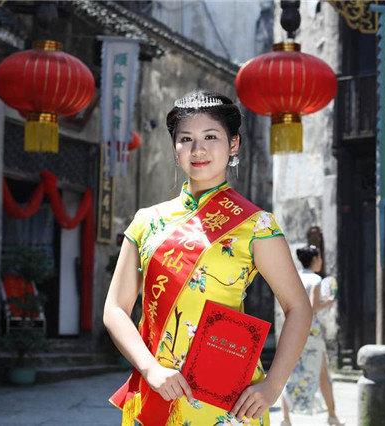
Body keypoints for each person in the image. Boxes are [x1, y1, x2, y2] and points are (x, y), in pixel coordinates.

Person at [104, 90, 313, 425]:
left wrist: (272, 386)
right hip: (157, 389)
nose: (198, 149)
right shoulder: (147, 221)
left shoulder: (256, 225)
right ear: (175, 149)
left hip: (228, 399)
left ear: (234, 145)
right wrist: (150, 369)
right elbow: (115, 308)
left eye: (211, 137)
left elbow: (299, 307)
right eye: (186, 139)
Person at [280, 245, 344, 426]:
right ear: (315, 259)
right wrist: (328, 302)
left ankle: (286, 419)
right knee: (323, 373)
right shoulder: (315, 279)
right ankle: (332, 416)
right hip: (311, 331)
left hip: (292, 328)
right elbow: (312, 307)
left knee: (290, 371)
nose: (321, 261)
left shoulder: (294, 278)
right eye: (319, 257)